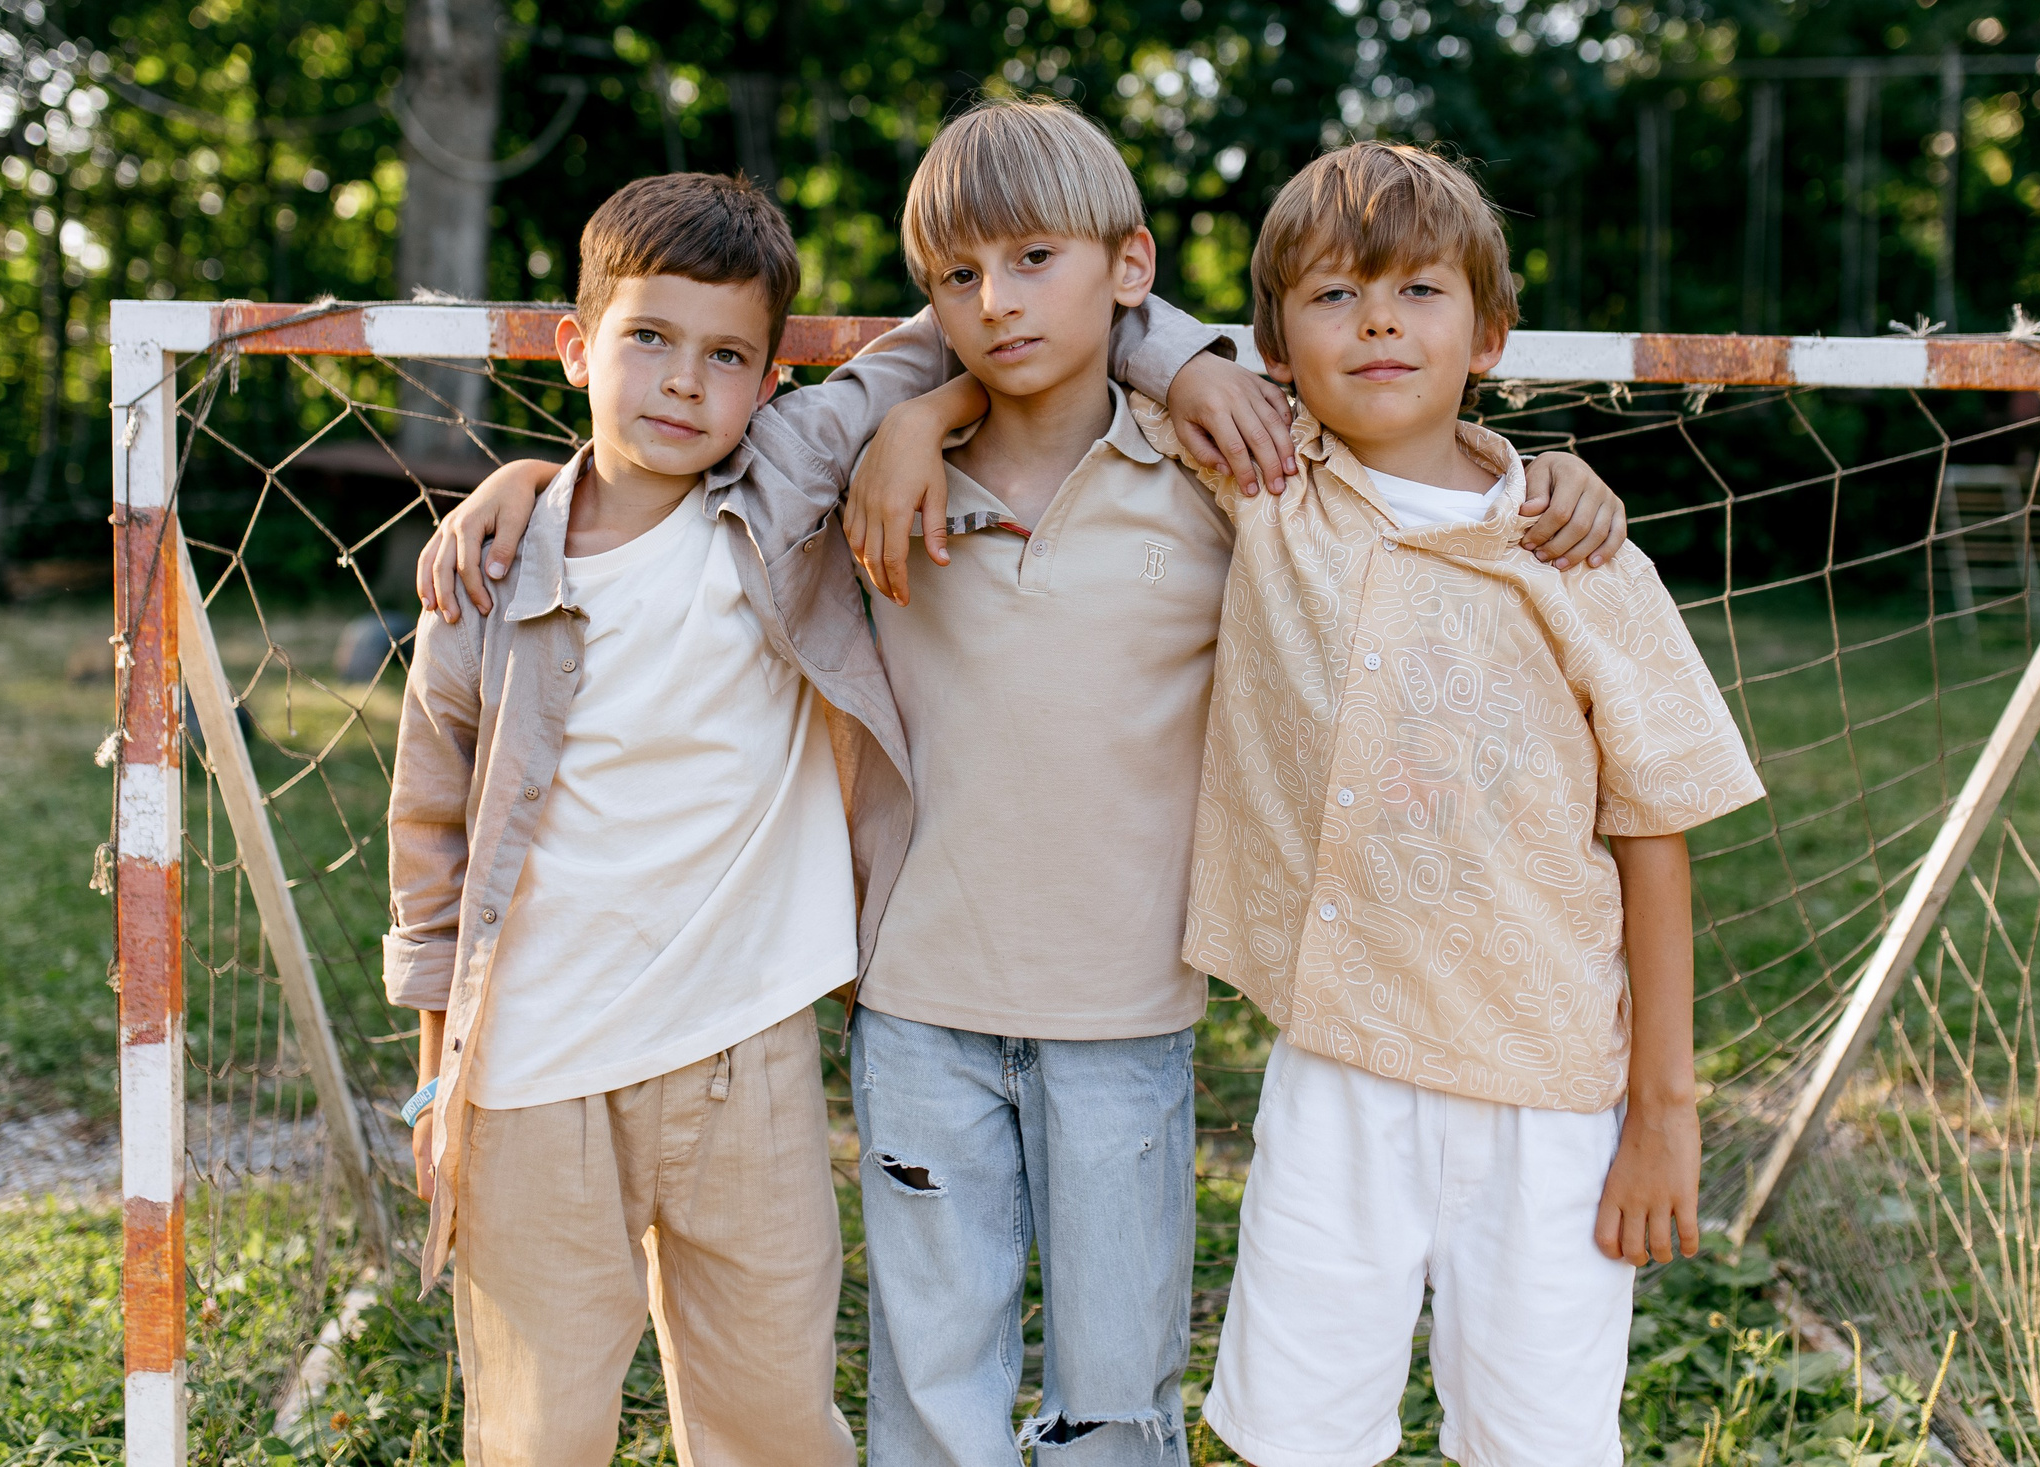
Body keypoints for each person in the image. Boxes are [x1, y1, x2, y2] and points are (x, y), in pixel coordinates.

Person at [417, 102, 1630, 1467]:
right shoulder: (860, 479)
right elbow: (715, 451)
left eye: (1037, 260)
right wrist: (895, 417)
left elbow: (1398, 464)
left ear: (1127, 266)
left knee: (1114, 1395)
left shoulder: (1222, 464)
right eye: (957, 278)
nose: (997, 303)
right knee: (934, 1381)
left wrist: (1551, 479)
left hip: (1127, 1017)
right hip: (919, 1008)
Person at [380, 168, 1260, 1467]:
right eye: (648, 342)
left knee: (772, 1419)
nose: (683, 383)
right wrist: (432, 1083)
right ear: (576, 348)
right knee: (539, 1425)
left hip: (746, 1056)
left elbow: (976, 332)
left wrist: (1146, 373)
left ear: (771, 383)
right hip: (530, 1079)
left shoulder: (782, 490)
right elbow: (431, 852)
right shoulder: (497, 576)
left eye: (725, 355)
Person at [1142, 141, 1765, 1466]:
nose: (1376, 319)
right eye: (1332, 296)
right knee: (1297, 1436)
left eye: (1419, 290)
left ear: (1490, 333)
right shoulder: (1262, 486)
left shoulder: (1576, 553)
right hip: (1340, 1064)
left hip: (1550, 1095)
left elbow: (1656, 835)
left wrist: (1664, 1113)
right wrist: (1187, 366)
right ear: (1273, 341)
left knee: (1538, 1443)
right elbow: (1085, 332)